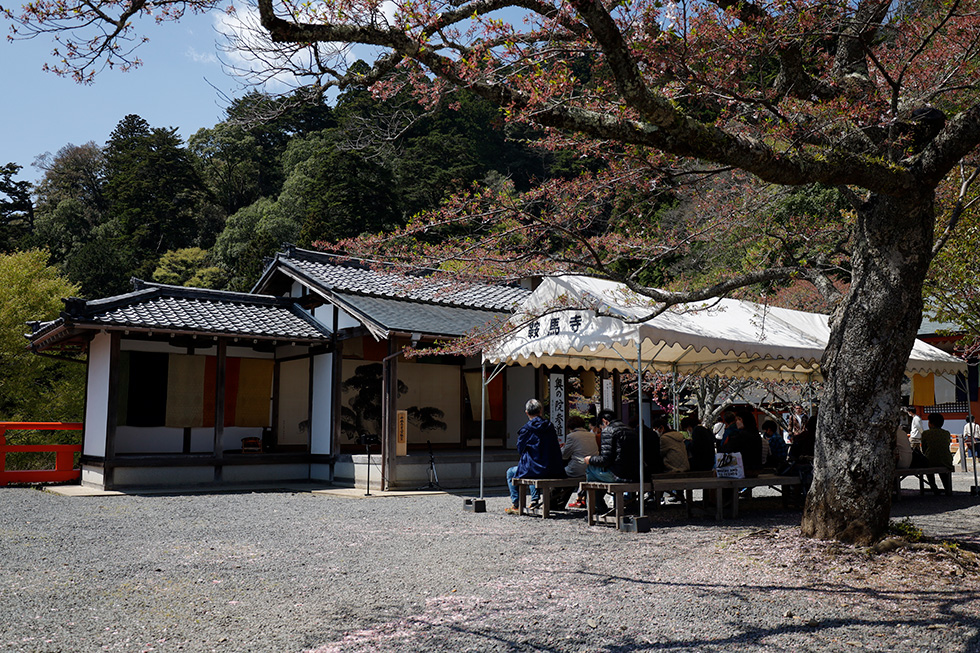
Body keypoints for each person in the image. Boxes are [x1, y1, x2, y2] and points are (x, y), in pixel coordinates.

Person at [505, 398, 566, 514]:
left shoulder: (526, 429)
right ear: (541, 411)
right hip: (553, 469)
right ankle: (534, 500)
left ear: (527, 413)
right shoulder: (550, 427)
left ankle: (516, 504)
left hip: (535, 469)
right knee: (532, 466)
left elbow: (520, 449)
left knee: (512, 472)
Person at [584, 409, 640, 512]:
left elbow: (606, 460)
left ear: (604, 421)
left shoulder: (608, 430)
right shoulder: (630, 430)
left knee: (590, 469)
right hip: (635, 474)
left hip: (619, 475)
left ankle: (596, 507)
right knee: (598, 473)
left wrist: (590, 459)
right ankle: (601, 504)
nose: (602, 429)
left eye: (601, 426)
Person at [560, 415, 599, 509]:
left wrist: (562, 448)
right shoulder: (592, 435)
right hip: (592, 469)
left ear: (570, 427)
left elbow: (564, 455)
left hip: (578, 469)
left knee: (560, 473)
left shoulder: (571, 436)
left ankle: (556, 502)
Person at [920, 412, 953, 495]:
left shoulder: (926, 433)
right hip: (946, 460)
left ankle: (934, 488)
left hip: (930, 460)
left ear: (930, 423)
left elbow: (924, 448)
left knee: (929, 467)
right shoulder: (946, 433)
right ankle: (947, 488)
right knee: (943, 470)